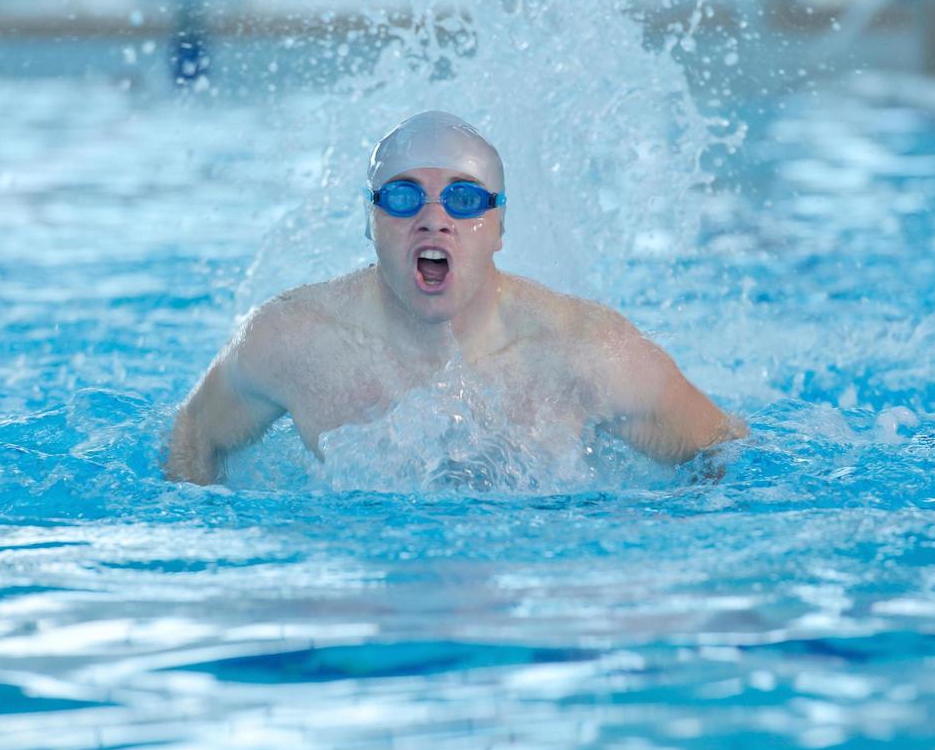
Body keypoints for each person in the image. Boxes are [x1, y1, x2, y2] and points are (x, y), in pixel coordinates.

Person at [164, 110, 745, 485]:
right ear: (370, 222)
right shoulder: (292, 340)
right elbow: (193, 438)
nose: (433, 220)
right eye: (402, 198)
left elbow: (727, 451)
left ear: (497, 227)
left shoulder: (585, 351)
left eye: (464, 200)